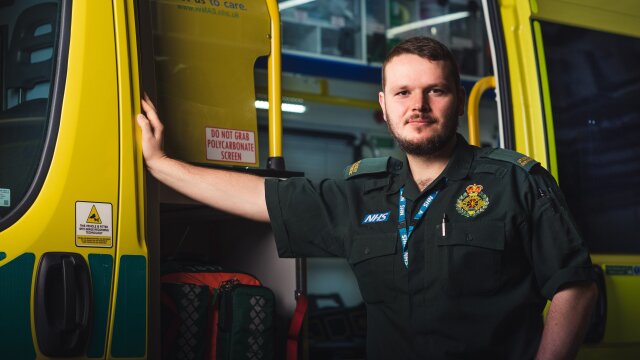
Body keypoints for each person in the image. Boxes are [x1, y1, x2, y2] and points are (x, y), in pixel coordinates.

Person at [137, 37, 598, 360]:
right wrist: (160, 164)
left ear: (458, 100)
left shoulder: (515, 182)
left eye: (434, 91)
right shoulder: (362, 192)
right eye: (402, 93)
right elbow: (262, 198)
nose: (417, 105)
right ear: (384, 105)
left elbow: (574, 287)